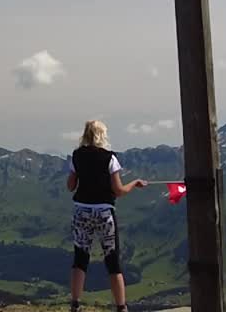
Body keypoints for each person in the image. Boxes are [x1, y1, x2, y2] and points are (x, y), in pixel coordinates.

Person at [67, 120, 146, 312]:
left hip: (82, 211)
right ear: (102, 135)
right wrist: (134, 183)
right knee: (112, 261)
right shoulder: (110, 158)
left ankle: (75, 304)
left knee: (80, 259)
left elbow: (70, 186)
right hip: (104, 213)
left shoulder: (77, 156)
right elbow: (118, 190)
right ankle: (121, 307)